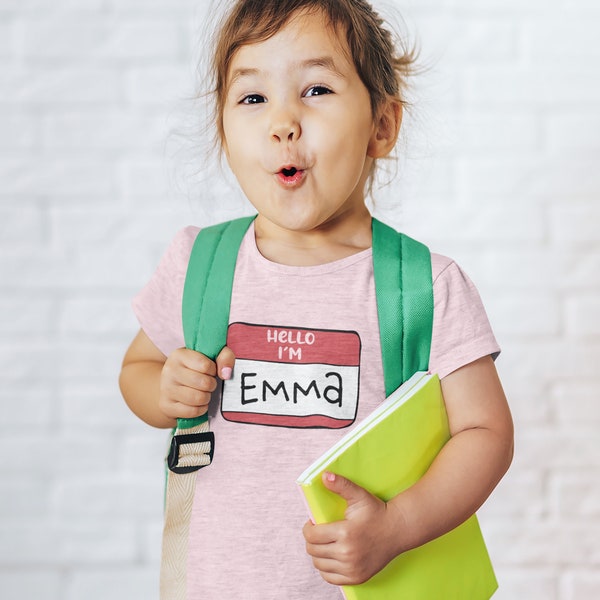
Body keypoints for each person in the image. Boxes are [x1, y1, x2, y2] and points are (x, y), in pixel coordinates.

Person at [119, 0, 514, 598]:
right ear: (224, 129)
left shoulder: (424, 286)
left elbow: (486, 433)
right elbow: (138, 371)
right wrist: (163, 390)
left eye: (317, 89)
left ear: (382, 125)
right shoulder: (199, 264)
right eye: (253, 98)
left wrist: (398, 526)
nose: (283, 121)